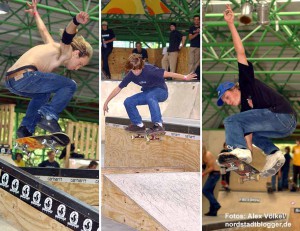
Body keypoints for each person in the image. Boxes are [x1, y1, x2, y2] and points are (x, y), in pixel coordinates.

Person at [216, 5, 296, 178]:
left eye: (228, 97)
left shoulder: (246, 83)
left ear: (234, 88)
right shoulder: (245, 113)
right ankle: (274, 153)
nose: (228, 102)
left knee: (230, 121)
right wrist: (245, 163)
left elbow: (240, 52)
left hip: (282, 115)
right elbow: (248, 137)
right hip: (284, 127)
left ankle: (240, 151)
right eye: (226, 101)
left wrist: (231, 24)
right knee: (247, 130)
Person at [5, 0, 93, 138]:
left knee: (43, 94)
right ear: (76, 53)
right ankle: (48, 117)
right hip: (27, 76)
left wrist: (35, 13)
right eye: (80, 63)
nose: (77, 68)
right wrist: (75, 21)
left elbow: (43, 30)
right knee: (70, 85)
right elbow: (67, 35)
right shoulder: (66, 51)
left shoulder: (52, 46)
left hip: (12, 81)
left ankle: (25, 128)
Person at [103, 54, 197, 132]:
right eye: (133, 70)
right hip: (148, 93)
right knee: (128, 101)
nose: (136, 72)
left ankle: (158, 125)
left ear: (141, 67)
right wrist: (106, 102)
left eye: (137, 69)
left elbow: (168, 74)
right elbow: (118, 88)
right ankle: (138, 125)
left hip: (161, 91)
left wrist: (185, 77)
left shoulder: (149, 70)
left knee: (150, 96)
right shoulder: (131, 75)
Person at [202, 144, 221, 216]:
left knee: (205, 190)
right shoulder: (203, 156)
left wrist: (203, 174)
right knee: (210, 191)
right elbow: (204, 166)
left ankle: (216, 205)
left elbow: (211, 168)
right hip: (213, 174)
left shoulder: (207, 154)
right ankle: (213, 211)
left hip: (215, 174)